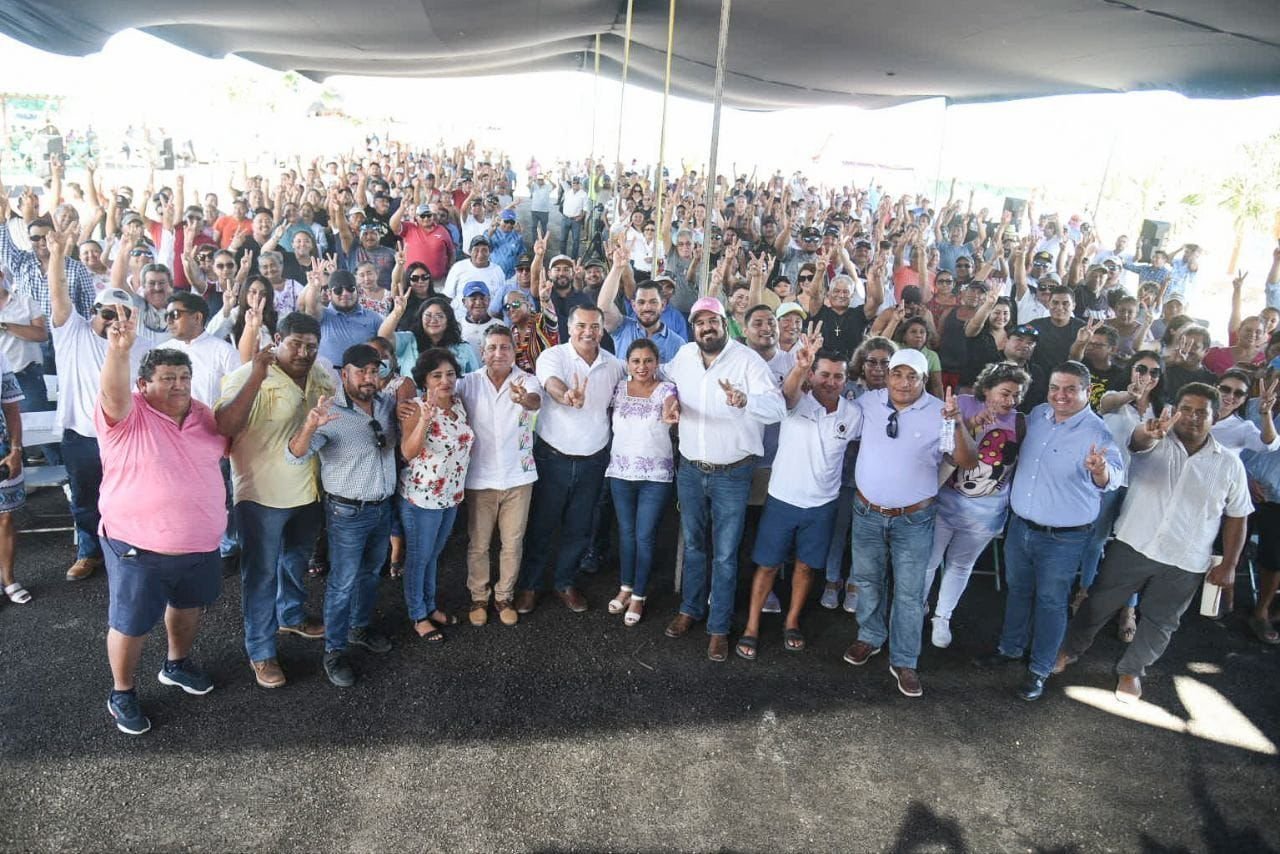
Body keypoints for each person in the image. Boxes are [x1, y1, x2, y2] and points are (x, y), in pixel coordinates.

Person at [1055, 383, 1251, 702]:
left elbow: (1238, 516)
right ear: (1175, 410)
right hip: (1133, 544)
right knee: (1098, 602)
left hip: (1185, 558)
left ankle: (1132, 670)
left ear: (1215, 417)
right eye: (1186, 409)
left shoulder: (1230, 464)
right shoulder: (1154, 440)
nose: (1192, 417)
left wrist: (1230, 564)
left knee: (1161, 621)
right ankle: (1068, 650)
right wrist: (1147, 433)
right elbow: (1137, 442)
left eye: (1201, 412)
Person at [97, 327, 228, 736]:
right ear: (143, 384)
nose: (179, 385)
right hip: (137, 545)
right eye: (168, 378)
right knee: (131, 623)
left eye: (184, 377)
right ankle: (122, 692)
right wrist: (119, 351)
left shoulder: (203, 414)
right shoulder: (126, 414)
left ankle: (176, 665)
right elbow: (112, 393)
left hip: (200, 543)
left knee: (188, 607)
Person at [975, 361, 1123, 702]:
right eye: (1055, 387)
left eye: (1071, 389)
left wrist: (1099, 470)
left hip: (1064, 538)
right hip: (1020, 527)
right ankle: (1010, 649)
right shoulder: (1039, 414)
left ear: (1088, 391)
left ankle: (1039, 669)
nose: (1061, 395)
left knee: (1051, 602)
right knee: (1018, 591)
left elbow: (1113, 477)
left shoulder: (1097, 432)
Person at [842, 349, 976, 698]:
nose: (903, 383)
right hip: (867, 512)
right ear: (887, 375)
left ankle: (904, 659)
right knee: (867, 580)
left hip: (914, 518)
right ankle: (870, 636)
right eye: (897, 374)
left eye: (912, 376)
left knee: (910, 591)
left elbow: (966, 460)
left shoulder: (940, 412)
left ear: (923, 379)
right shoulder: (869, 402)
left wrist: (957, 423)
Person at [215, 312, 336, 689]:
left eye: (311, 346)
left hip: (308, 490)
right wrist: (256, 374)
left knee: (295, 561)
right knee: (260, 575)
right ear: (277, 341)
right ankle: (261, 650)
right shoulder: (247, 375)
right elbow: (224, 426)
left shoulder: (320, 375)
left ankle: (292, 616)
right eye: (295, 344)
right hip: (261, 494)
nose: (303, 352)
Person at [662, 297, 785, 662]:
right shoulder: (684, 356)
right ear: (693, 328)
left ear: (725, 323)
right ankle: (690, 609)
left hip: (733, 473)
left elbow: (778, 408)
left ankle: (718, 627)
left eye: (713, 321)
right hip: (690, 468)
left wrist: (746, 401)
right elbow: (665, 379)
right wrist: (670, 398)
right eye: (700, 322)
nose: (707, 328)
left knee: (727, 554)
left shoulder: (748, 360)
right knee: (694, 545)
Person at [738, 335, 858, 660]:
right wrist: (800, 367)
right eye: (824, 374)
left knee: (805, 568)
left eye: (838, 376)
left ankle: (791, 622)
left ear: (846, 379)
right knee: (767, 566)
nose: (830, 382)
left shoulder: (853, 414)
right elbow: (787, 395)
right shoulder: (795, 402)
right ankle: (751, 626)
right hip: (782, 500)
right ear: (812, 375)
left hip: (822, 505)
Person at [285, 344, 398, 687]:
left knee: (370, 574)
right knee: (342, 582)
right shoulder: (329, 412)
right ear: (344, 374)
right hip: (347, 512)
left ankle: (358, 627)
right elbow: (295, 455)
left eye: (374, 371)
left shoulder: (385, 404)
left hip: (382, 507)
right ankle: (333, 650)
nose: (368, 378)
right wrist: (310, 425)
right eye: (361, 371)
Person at [47, 227, 149, 581]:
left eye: (123, 315)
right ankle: (89, 552)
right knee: (85, 498)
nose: (114, 321)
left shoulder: (139, 345)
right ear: (93, 312)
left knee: (128, 497)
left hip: (125, 438)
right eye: (107, 314)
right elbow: (58, 293)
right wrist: (57, 254)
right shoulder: (71, 331)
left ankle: (126, 549)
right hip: (82, 435)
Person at [514, 306, 625, 614]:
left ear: (602, 329)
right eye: (581, 326)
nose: (588, 332)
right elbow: (551, 383)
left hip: (594, 460)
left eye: (595, 326)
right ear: (570, 327)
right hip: (553, 458)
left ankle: (565, 582)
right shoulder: (553, 356)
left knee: (580, 528)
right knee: (542, 525)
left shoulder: (614, 365)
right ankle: (530, 585)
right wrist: (566, 396)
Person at [923, 362, 1030, 648]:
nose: (1011, 401)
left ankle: (942, 617)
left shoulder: (1020, 422)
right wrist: (969, 425)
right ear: (986, 389)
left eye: (1017, 395)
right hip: (945, 501)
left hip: (986, 512)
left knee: (960, 565)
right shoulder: (963, 404)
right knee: (928, 561)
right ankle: (917, 605)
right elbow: (938, 444)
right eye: (1005, 393)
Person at [455, 325, 542, 627]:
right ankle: (479, 597)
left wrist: (523, 400)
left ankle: (504, 596)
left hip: (519, 477)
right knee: (478, 544)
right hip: (480, 478)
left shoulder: (527, 381)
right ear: (482, 352)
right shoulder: (467, 383)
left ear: (514, 351)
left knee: (512, 543)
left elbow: (535, 401)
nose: (498, 353)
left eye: (505, 347)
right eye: (492, 347)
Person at [1086, 350, 1168, 636]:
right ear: (1131, 370)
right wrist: (1131, 395)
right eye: (1141, 368)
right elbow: (1106, 404)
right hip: (1109, 481)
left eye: (1154, 372)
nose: (1147, 376)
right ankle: (1084, 594)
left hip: (1143, 485)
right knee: (1095, 541)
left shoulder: (1164, 409)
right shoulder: (1115, 398)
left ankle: (1129, 608)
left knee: (1132, 546)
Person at [397, 348, 474, 641]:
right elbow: (408, 452)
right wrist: (425, 421)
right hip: (422, 498)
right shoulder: (415, 408)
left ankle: (430, 606)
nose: (445, 381)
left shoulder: (458, 404)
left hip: (450, 496)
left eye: (450, 374)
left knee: (433, 556)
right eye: (437, 375)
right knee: (419, 558)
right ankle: (418, 615)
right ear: (425, 380)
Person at [604, 339, 679, 627]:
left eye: (648, 360)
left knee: (644, 535)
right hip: (621, 473)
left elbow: (672, 406)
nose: (642, 366)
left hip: (655, 476)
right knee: (626, 533)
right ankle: (625, 586)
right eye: (636, 361)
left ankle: (639, 595)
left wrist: (672, 411)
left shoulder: (666, 390)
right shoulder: (618, 388)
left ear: (657, 363)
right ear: (628, 363)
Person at [821, 336, 896, 613]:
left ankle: (855, 583)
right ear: (861, 364)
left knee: (866, 537)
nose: (878, 368)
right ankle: (832, 580)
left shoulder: (898, 395)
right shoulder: (848, 389)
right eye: (871, 362)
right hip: (844, 473)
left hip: (877, 478)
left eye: (885, 363)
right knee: (837, 530)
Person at [596, 244, 686, 362]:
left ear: (663, 305)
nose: (647, 307)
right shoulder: (622, 328)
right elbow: (603, 308)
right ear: (633, 305)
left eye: (653, 302)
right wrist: (617, 268)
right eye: (641, 302)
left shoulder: (678, 344)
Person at [378, 295, 480, 377]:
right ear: (420, 318)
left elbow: (475, 380)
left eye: (439, 316)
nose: (433, 320)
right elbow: (383, 338)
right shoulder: (409, 340)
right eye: (428, 315)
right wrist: (397, 313)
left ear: (448, 320)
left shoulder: (463, 348)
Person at [301, 269, 385, 366]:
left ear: (358, 291)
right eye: (338, 290)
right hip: (327, 375)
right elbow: (311, 307)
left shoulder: (374, 318)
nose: (345, 293)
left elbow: (385, 347)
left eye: (350, 288)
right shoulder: (322, 315)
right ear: (329, 294)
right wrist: (314, 286)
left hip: (364, 374)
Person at [0, 352, 26, 605]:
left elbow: (11, 407)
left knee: (5, 517)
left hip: (2, 450)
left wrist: (15, 449)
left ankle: (8, 579)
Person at [1028, 287, 1086, 374]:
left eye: (1065, 303)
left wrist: (1080, 343)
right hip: (1038, 375)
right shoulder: (1034, 326)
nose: (1059, 307)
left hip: (1072, 375)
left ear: (1073, 306)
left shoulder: (1083, 329)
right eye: (1055, 303)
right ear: (1048, 304)